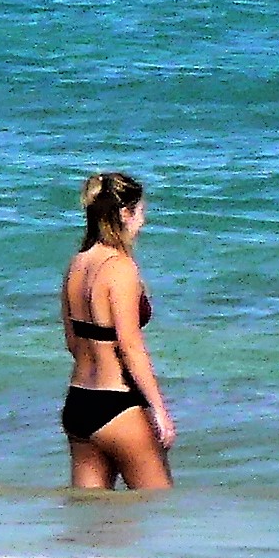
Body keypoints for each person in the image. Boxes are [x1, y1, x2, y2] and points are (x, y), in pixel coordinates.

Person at [61, 169, 176, 492]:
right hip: (118, 404)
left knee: (91, 515)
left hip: (78, 403)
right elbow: (130, 347)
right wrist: (159, 410)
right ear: (124, 213)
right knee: (160, 504)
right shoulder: (121, 268)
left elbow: (72, 342)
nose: (143, 221)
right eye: (140, 212)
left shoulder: (76, 264)